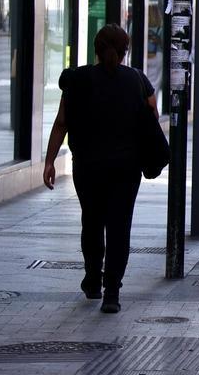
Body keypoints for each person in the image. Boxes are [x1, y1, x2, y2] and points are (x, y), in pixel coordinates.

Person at [43, 25, 157, 314]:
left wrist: (49, 161)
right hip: (125, 168)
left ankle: (93, 278)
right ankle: (112, 293)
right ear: (124, 52)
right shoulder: (137, 81)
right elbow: (152, 118)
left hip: (88, 167)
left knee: (92, 221)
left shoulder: (76, 80)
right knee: (119, 226)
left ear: (96, 48)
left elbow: (61, 123)